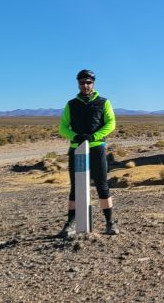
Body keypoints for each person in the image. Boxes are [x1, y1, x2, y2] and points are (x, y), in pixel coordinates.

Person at [57, 69, 119, 237]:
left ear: (93, 83)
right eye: (82, 82)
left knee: (101, 184)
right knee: (75, 187)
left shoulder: (103, 102)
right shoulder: (71, 104)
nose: (85, 85)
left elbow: (111, 123)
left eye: (88, 82)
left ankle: (109, 222)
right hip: (77, 149)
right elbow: (62, 126)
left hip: (96, 147)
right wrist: (74, 136)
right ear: (78, 84)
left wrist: (94, 136)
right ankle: (70, 224)